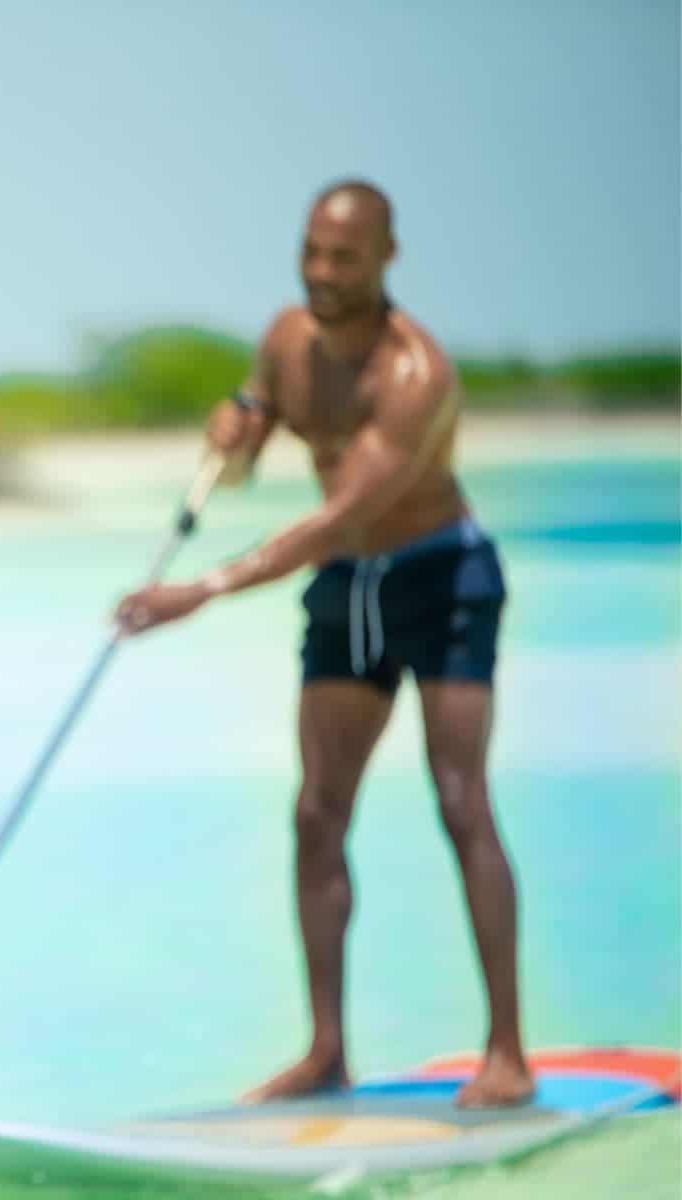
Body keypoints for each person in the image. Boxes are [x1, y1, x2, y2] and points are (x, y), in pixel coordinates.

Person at [115, 181, 534, 1108]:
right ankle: (327, 1052)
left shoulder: (415, 376)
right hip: (350, 588)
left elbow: (342, 517)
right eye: (311, 251)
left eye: (344, 257)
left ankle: (506, 1054)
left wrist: (206, 589)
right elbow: (256, 437)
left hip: (441, 577)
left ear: (387, 257)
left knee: (461, 801)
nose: (322, 273)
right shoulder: (286, 339)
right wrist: (238, 427)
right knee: (316, 814)